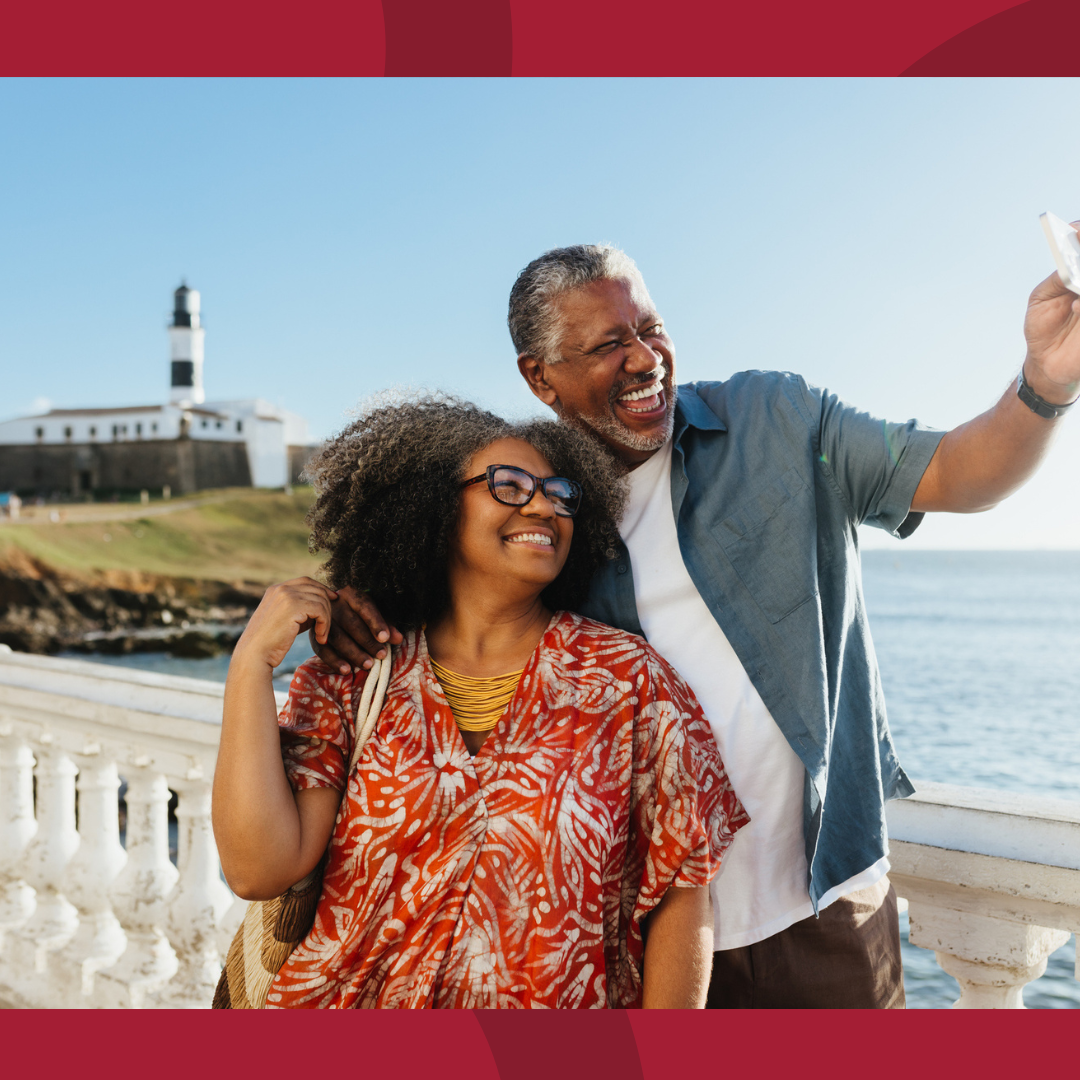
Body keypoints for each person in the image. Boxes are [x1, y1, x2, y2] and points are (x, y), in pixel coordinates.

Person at [314, 241, 1080, 1009]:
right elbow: (461, 612)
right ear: (539, 376)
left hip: (824, 910)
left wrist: (1044, 381)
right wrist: (367, 601)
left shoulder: (776, 419)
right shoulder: (546, 508)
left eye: (650, 327)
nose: (645, 358)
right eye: (609, 344)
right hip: (641, 939)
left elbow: (956, 470)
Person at [213, 396, 747, 1009]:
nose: (544, 505)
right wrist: (250, 664)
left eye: (560, 492)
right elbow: (258, 869)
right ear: (436, 505)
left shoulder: (630, 684)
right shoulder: (357, 678)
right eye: (510, 485)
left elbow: (683, 894)